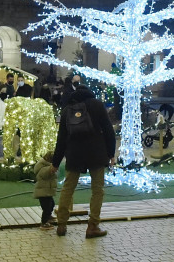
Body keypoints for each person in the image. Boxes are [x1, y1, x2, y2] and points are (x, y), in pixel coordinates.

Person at [51, 84, 116, 238]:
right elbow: (108, 130)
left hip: (74, 153)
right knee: (97, 189)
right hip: (96, 153)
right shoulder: (97, 105)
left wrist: (55, 162)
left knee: (68, 188)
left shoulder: (67, 109)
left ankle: (61, 224)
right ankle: (92, 226)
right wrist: (111, 154)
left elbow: (61, 139)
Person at [34, 150, 57, 230]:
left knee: (51, 204)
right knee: (46, 208)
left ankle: (48, 217)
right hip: (43, 192)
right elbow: (45, 174)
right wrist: (51, 168)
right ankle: (44, 223)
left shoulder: (46, 165)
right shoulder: (43, 167)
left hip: (47, 191)